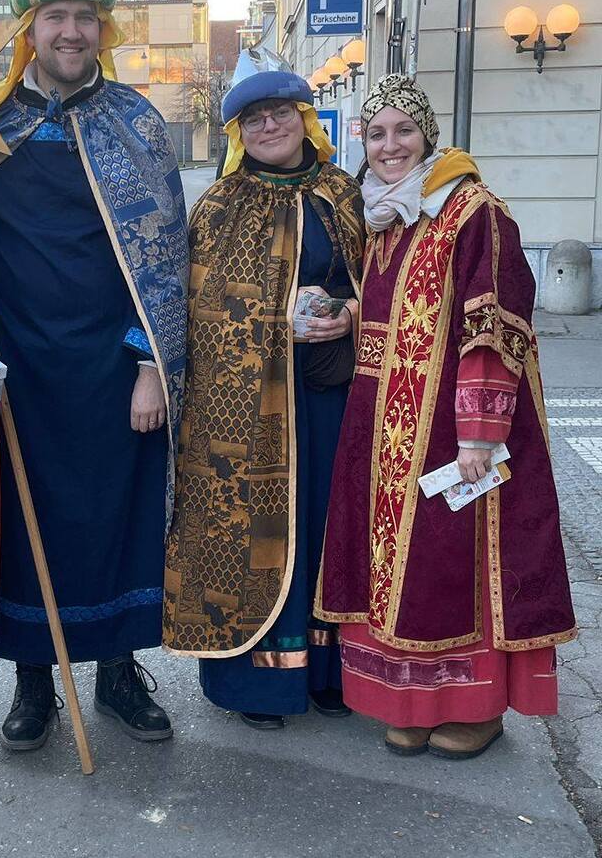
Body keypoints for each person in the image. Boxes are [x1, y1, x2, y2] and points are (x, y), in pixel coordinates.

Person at [0, 0, 188, 751]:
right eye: (55, 17)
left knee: (116, 515)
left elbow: (166, 252)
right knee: (24, 518)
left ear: (101, 30)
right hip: (19, 369)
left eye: (83, 17)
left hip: (112, 365)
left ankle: (117, 671)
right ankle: (33, 680)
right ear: (30, 29)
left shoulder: (137, 122)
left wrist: (149, 365)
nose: (70, 31)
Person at [316, 73, 577, 759]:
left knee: (452, 568)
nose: (390, 145)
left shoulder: (472, 211)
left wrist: (480, 433)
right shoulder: (386, 214)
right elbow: (392, 310)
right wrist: (346, 314)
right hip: (382, 424)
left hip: (450, 429)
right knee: (396, 571)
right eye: (377, 134)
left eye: (404, 130)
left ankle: (475, 705)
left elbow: (494, 323)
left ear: (429, 135)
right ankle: (407, 700)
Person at [163, 53, 366, 728]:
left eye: (281, 113)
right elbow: (198, 308)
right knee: (253, 532)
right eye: (254, 120)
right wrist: (272, 326)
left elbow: (381, 280)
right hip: (245, 405)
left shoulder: (343, 194)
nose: (269, 126)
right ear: (238, 134)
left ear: (304, 119)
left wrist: (349, 313)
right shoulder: (220, 206)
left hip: (328, 394)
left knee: (328, 520)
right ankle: (256, 685)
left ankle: (331, 672)